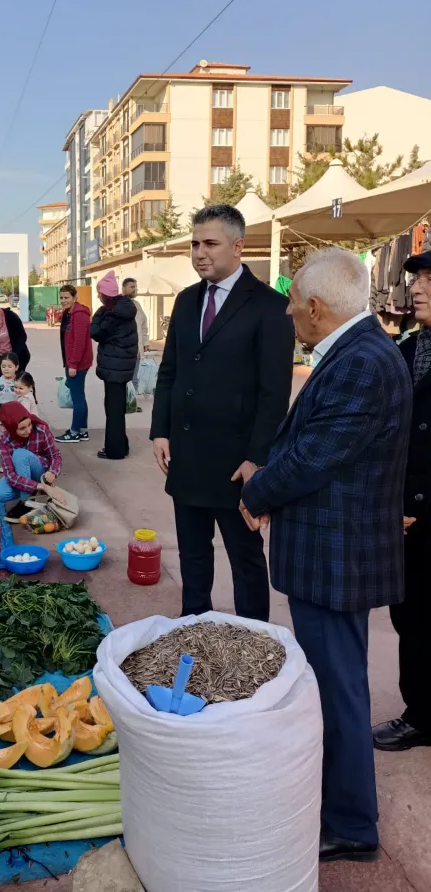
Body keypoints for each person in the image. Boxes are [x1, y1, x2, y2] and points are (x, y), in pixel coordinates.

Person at [240, 248, 411, 864]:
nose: (287, 312)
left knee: (339, 691)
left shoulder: (362, 361)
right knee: (334, 684)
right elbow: (311, 442)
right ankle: (341, 807)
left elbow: (315, 457)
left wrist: (257, 491)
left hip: (334, 557)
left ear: (315, 306)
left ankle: (352, 825)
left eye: (291, 302)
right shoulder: (355, 350)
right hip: (330, 553)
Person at [150, 204, 294, 622]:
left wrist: (257, 459)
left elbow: (274, 394)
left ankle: (254, 639)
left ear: (238, 246)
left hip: (237, 466)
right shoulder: (187, 300)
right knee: (193, 559)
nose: (200, 253)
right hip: (187, 456)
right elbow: (171, 370)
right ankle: (195, 628)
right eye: (195, 244)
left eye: (210, 243)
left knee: (245, 560)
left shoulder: (270, 306)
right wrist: (161, 430)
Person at [373, 250, 431, 753]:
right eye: (416, 278)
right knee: (408, 616)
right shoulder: (410, 348)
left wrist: (419, 500)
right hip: (405, 515)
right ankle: (421, 713)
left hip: (422, 508)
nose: (416, 287)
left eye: (430, 279)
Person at [90, 270, 137, 461]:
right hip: (120, 367)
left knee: (113, 410)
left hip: (114, 368)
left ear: (106, 294)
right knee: (116, 409)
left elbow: (96, 332)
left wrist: (100, 314)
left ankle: (114, 450)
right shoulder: (125, 309)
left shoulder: (111, 314)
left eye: (99, 293)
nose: (98, 296)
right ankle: (121, 446)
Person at [0, 401, 64, 520]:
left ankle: (26, 503)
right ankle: (37, 493)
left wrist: (53, 472)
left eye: (29, 424)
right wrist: (40, 487)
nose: (28, 430)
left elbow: (55, 456)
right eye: (22, 428)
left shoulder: (40, 430)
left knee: (20, 454)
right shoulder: (5, 441)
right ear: (11, 428)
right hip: (23, 476)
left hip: (39, 472)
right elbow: (10, 476)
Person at [55, 284, 93, 443]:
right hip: (72, 361)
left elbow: (79, 343)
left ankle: (74, 432)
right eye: (62, 297)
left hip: (77, 363)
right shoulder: (68, 313)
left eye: (67, 298)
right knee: (80, 396)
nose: (64, 301)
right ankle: (82, 430)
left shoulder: (79, 315)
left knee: (77, 397)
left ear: (75, 297)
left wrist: (73, 365)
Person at [0, 297, 30, 372]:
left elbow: (22, 337)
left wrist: (13, 356)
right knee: (3, 382)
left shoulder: (11, 316)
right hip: (1, 360)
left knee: (17, 382)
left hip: (18, 357)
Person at [122, 277, 149, 411]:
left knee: (134, 377)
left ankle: (130, 403)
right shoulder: (118, 304)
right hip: (124, 350)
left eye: (136, 287)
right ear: (124, 289)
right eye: (132, 287)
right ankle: (126, 404)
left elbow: (144, 324)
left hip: (136, 349)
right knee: (125, 378)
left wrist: (145, 342)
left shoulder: (137, 305)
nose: (135, 289)